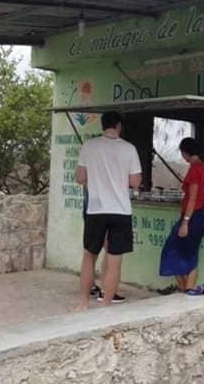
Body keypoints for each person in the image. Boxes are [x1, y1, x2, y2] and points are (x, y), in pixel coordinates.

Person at [74, 111, 142, 310]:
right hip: (120, 211)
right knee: (114, 260)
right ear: (119, 126)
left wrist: (94, 183)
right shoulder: (129, 149)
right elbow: (135, 182)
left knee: (89, 256)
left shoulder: (89, 146)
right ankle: (105, 305)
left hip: (95, 209)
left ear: (102, 126)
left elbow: (79, 177)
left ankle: (84, 303)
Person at [159, 137, 204, 292]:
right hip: (200, 215)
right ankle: (185, 289)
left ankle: (186, 290)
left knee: (175, 252)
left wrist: (185, 222)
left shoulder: (195, 169)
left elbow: (192, 199)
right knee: (188, 253)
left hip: (192, 216)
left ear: (186, 152)